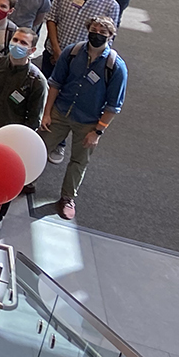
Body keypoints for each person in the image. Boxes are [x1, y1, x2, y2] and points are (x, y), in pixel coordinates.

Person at [42, 16, 126, 221]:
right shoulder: (72, 52)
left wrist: (97, 132)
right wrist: (47, 112)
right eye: (94, 30)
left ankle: (67, 198)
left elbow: (113, 106)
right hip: (61, 111)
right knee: (40, 146)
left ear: (111, 36)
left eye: (103, 32)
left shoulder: (115, 66)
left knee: (79, 161)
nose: (97, 34)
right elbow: (55, 83)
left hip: (88, 122)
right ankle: (27, 180)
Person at [0, 27, 46, 238]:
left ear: (32, 50)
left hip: (12, 139)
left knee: (4, 179)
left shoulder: (36, 81)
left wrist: (23, 144)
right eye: (15, 40)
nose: (17, 45)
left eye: (23, 43)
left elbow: (34, 120)